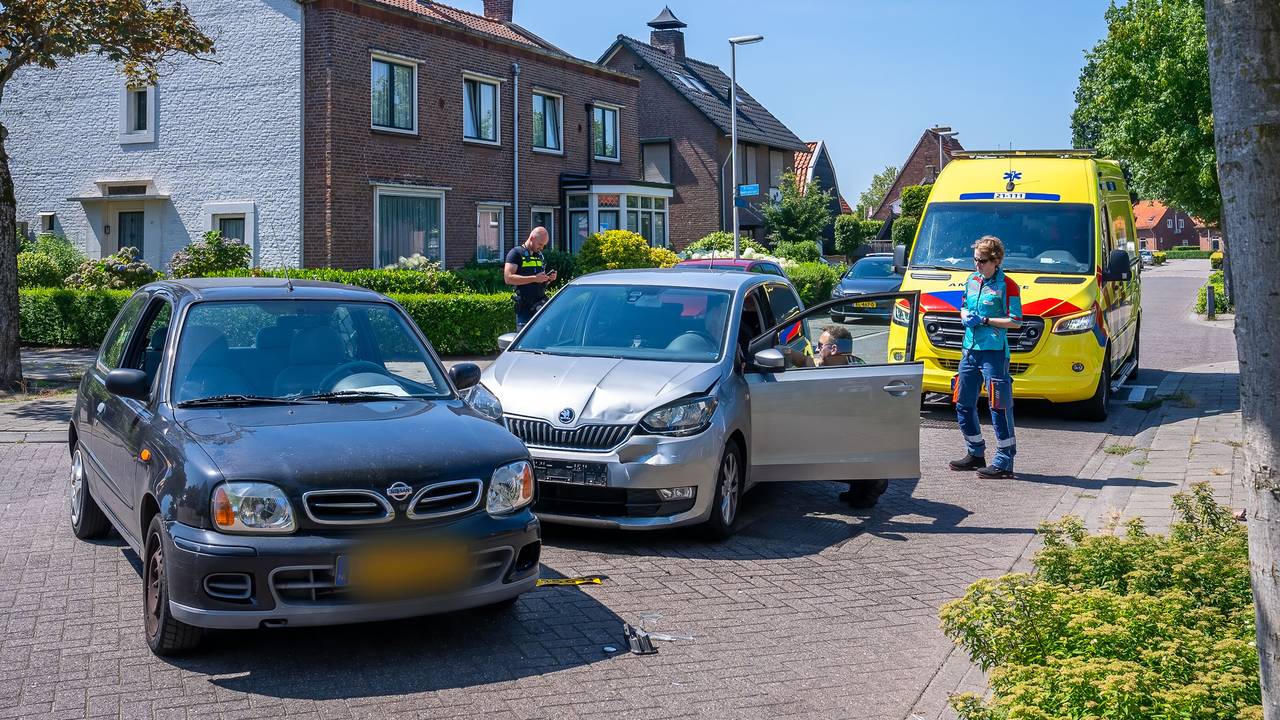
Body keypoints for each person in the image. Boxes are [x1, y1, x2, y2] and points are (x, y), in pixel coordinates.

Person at [949, 235, 1022, 479]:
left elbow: (1015, 321)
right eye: (975, 260)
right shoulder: (971, 280)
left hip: (993, 352)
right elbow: (963, 305)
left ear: (996, 260)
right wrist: (965, 316)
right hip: (969, 350)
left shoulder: (1008, 286)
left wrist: (986, 320)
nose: (976, 265)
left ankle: (1004, 461)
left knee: (998, 406)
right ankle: (975, 453)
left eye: (981, 261)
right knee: (962, 402)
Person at [504, 227, 556, 331]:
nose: (541, 248)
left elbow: (539, 283)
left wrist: (548, 279)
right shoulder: (516, 253)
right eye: (540, 244)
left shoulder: (539, 256)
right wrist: (534, 278)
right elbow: (508, 278)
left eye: (543, 245)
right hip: (525, 309)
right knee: (524, 343)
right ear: (532, 238)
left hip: (540, 307)